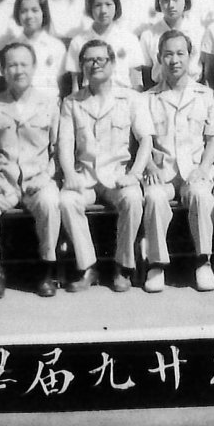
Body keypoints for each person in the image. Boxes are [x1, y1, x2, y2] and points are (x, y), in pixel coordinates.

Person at [56, 39, 154, 292]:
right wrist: (69, 174)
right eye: (89, 60)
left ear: (112, 63)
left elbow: (146, 140)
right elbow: (65, 145)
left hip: (117, 175)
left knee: (133, 198)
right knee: (66, 200)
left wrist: (135, 174)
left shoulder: (130, 98)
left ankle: (123, 267)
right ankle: (88, 267)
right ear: (82, 66)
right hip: (85, 176)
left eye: (101, 59)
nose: (95, 64)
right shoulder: (71, 102)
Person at [142, 30, 214, 292]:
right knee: (154, 196)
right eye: (168, 54)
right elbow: (143, 142)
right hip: (162, 170)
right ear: (159, 58)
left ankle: (203, 262)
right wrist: (150, 165)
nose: (174, 60)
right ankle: (156, 265)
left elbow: (212, 141)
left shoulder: (206, 95)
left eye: (180, 54)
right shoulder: (147, 99)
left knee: (200, 194)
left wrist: (203, 168)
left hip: (195, 169)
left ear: (190, 56)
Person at [0, 40, 64, 295]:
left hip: (38, 177)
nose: (18, 70)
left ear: (34, 67)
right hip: (3, 179)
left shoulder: (49, 103)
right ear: (2, 70)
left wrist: (48, 176)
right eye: (12, 65)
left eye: (24, 64)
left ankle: (47, 269)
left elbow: (58, 149)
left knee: (50, 202)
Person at [63, 0, 146, 92]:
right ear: (89, 7)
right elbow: (76, 84)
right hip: (91, 97)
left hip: (123, 95)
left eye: (108, 4)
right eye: (97, 5)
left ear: (116, 5)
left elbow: (136, 80)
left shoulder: (129, 39)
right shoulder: (78, 41)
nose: (103, 11)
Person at [138, 0, 201, 87]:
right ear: (158, 2)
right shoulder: (148, 35)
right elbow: (146, 72)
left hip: (193, 88)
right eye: (165, 0)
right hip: (160, 89)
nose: (171, 5)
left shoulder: (198, 31)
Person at [10, 0, 66, 93]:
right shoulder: (12, 46)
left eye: (35, 10)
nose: (29, 16)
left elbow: (62, 81)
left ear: (43, 12)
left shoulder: (56, 46)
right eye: (23, 11)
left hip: (49, 100)